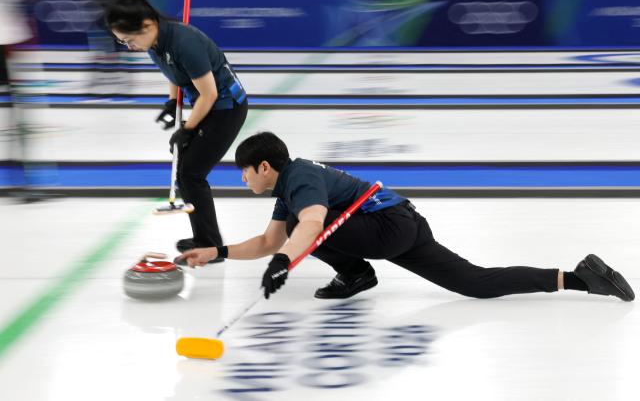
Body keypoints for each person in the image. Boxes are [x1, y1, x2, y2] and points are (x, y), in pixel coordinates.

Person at [176, 132, 635, 302]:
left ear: (264, 167)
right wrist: (214, 253)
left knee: (302, 228)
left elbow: (310, 226)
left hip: (387, 227)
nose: (241, 182)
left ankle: (355, 275)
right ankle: (580, 277)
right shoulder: (287, 190)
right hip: (401, 223)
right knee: (476, 283)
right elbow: (267, 242)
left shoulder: (300, 179)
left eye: (243, 174)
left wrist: (284, 264)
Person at [105, 0, 248, 260]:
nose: (129, 46)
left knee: (191, 172)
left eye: (128, 40)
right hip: (208, 106)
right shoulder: (155, 42)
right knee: (186, 170)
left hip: (226, 108)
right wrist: (172, 103)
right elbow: (174, 73)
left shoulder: (184, 42)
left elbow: (210, 94)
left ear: (147, 25)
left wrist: (188, 130)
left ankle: (211, 246)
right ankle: (205, 237)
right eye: (122, 42)